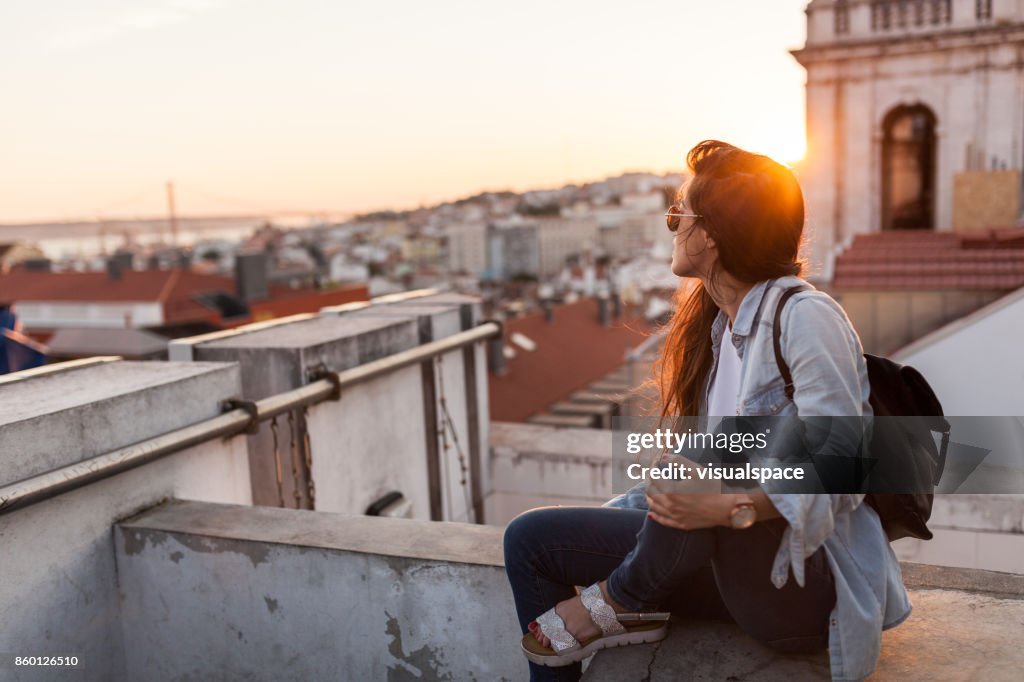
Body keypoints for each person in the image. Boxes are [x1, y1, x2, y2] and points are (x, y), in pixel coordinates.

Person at [503, 140, 911, 682]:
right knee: (530, 539)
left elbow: (845, 465)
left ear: (712, 234)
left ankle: (623, 600)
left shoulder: (806, 316)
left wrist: (730, 505)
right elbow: (697, 481)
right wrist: (638, 512)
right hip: (730, 567)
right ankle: (628, 600)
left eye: (678, 215)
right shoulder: (722, 332)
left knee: (703, 479)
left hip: (806, 589)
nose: (671, 228)